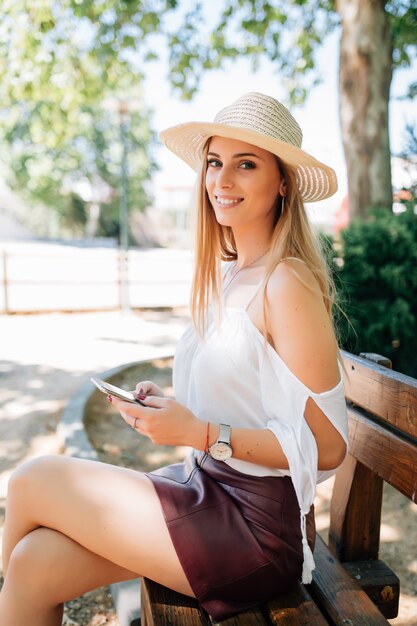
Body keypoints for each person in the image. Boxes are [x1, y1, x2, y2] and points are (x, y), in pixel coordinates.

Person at [0, 92, 348, 625]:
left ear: (284, 183)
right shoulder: (234, 274)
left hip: (257, 529)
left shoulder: (287, 281)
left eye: (246, 164)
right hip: (206, 486)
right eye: (214, 163)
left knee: (31, 480)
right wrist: (173, 409)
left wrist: (202, 431)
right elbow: (249, 401)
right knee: (32, 565)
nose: (222, 180)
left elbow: (327, 447)